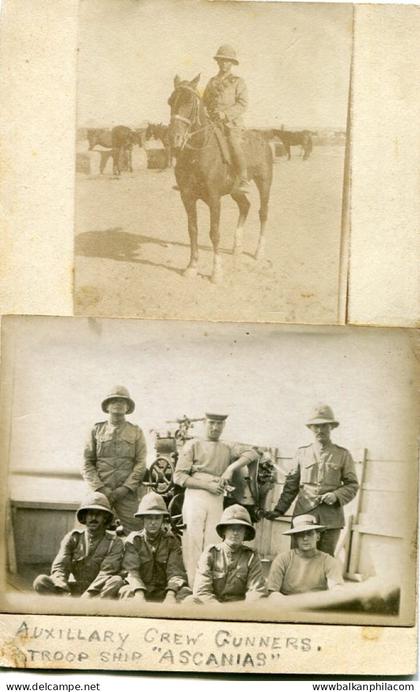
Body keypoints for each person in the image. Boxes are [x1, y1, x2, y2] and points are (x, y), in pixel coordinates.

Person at [173, 412, 259, 586]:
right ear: (204, 423)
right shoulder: (193, 444)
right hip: (196, 495)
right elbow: (179, 477)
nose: (215, 427)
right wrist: (207, 486)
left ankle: (208, 585)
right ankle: (192, 586)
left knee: (213, 542)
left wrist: (231, 468)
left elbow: (253, 454)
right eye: (211, 423)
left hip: (217, 497)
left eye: (219, 424)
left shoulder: (227, 447)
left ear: (224, 426)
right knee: (194, 541)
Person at [263, 405, 359, 556]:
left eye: (324, 426)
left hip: (330, 520)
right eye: (316, 426)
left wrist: (336, 496)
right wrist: (279, 510)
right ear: (311, 428)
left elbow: (352, 485)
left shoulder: (343, 454)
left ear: (331, 427)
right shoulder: (302, 453)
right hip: (303, 517)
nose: (320, 430)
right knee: (298, 559)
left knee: (324, 563)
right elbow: (291, 486)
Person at [82, 386, 147, 535]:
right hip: (99, 492)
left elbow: (141, 463)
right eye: (114, 401)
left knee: (137, 532)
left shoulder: (136, 431)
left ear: (128, 407)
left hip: (127, 493)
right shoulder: (95, 430)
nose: (118, 404)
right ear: (107, 406)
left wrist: (124, 489)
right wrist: (100, 488)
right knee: (88, 532)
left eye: (123, 401)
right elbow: (86, 463)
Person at [33, 493, 124, 598]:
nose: (93, 518)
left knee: (116, 581)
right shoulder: (73, 538)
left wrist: (87, 596)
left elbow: (106, 572)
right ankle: (69, 604)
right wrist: (62, 587)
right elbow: (60, 566)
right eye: (90, 514)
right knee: (41, 581)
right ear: (84, 517)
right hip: (74, 589)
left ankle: (85, 607)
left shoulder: (115, 542)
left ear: (105, 518)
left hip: (98, 591)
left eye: (98, 514)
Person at [119, 492, 191, 603]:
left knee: (186, 595)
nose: (153, 522)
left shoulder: (171, 541)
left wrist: (171, 594)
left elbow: (176, 572)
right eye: (149, 518)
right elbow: (132, 571)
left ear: (163, 519)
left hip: (164, 590)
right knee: (125, 592)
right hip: (140, 588)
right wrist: (139, 593)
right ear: (142, 519)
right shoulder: (133, 541)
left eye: (157, 518)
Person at [192, 504, 267, 604]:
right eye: (231, 528)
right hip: (212, 608)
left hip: (240, 609)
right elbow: (202, 591)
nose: (235, 533)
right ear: (224, 531)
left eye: (240, 528)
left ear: (246, 533)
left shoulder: (251, 556)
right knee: (190, 602)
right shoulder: (211, 553)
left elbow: (256, 591)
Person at [203, 44, 249, 193]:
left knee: (233, 143)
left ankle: (243, 179)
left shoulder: (238, 81)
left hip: (231, 123)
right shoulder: (211, 82)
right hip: (212, 123)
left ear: (232, 63)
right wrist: (205, 111)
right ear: (217, 62)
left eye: (227, 61)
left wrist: (226, 114)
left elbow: (242, 104)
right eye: (221, 60)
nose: (224, 63)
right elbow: (205, 101)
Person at [267, 514, 344, 600]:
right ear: (295, 538)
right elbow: (272, 592)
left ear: (318, 536)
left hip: (316, 606)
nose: (305, 538)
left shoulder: (328, 561)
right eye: (300, 534)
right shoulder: (282, 559)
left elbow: (336, 589)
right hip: (287, 606)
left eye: (310, 533)